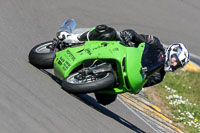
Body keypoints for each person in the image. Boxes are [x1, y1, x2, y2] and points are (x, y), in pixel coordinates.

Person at [57, 24, 190, 104]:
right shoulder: (155, 43)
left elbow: (142, 82)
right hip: (120, 51)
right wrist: (128, 35)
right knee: (107, 32)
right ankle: (72, 39)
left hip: (122, 74)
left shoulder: (159, 76)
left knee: (106, 100)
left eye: (177, 65)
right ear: (172, 51)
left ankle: (85, 76)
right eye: (175, 60)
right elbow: (135, 35)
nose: (173, 64)